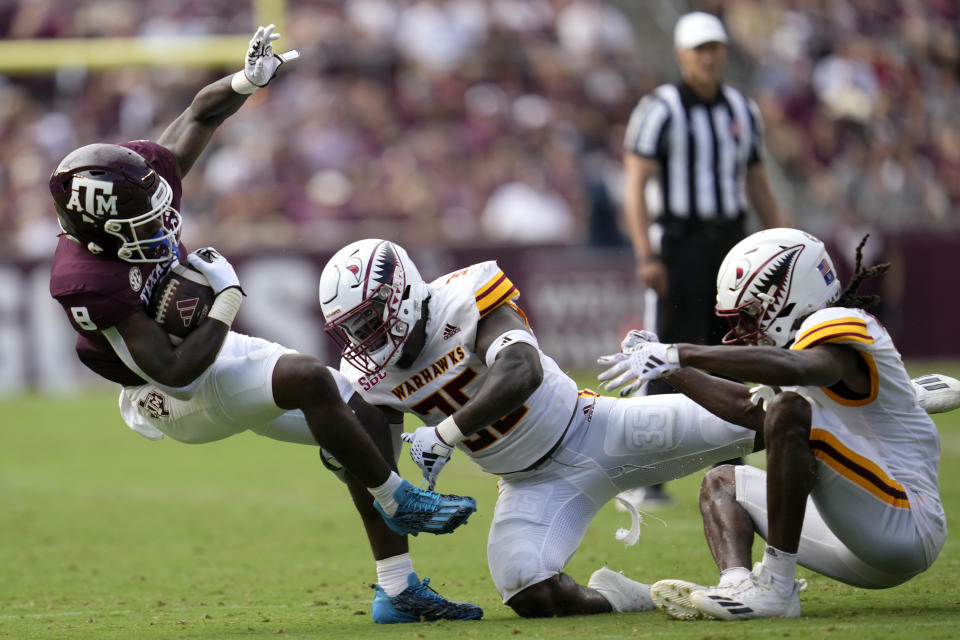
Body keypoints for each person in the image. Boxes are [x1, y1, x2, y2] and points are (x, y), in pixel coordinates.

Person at [46, 26, 481, 624]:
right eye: (140, 224)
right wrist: (225, 295)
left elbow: (200, 116)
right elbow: (174, 374)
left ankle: (397, 590)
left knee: (366, 415)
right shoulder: (85, 282)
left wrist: (245, 81)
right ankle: (396, 497)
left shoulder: (139, 180)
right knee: (310, 379)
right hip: (166, 393)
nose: (159, 227)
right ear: (97, 233)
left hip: (200, 349)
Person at [317, 237, 771, 618]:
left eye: (370, 318)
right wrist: (347, 459)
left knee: (768, 422)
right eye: (352, 328)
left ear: (402, 292)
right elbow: (377, 475)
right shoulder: (365, 375)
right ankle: (623, 595)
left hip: (595, 429)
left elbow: (521, 370)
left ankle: (774, 570)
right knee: (528, 593)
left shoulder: (464, 295)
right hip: (528, 483)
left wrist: (446, 433)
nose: (366, 337)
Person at [597, 228, 948, 620]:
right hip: (852, 536)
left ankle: (777, 587)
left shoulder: (839, 323)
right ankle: (739, 586)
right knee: (723, 483)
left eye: (748, 315)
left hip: (905, 522)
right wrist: (670, 368)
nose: (743, 331)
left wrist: (682, 354)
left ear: (786, 294)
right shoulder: (795, 352)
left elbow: (804, 371)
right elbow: (749, 410)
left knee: (788, 410)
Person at [618, 11, 785, 509]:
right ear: (681, 55)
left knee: (731, 349)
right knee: (663, 353)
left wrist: (779, 236)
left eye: (716, 47)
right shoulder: (661, 107)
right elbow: (635, 184)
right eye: (700, 49)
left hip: (731, 242)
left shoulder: (740, 107)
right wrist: (646, 252)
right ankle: (647, 470)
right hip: (679, 240)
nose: (709, 57)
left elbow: (757, 181)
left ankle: (730, 463)